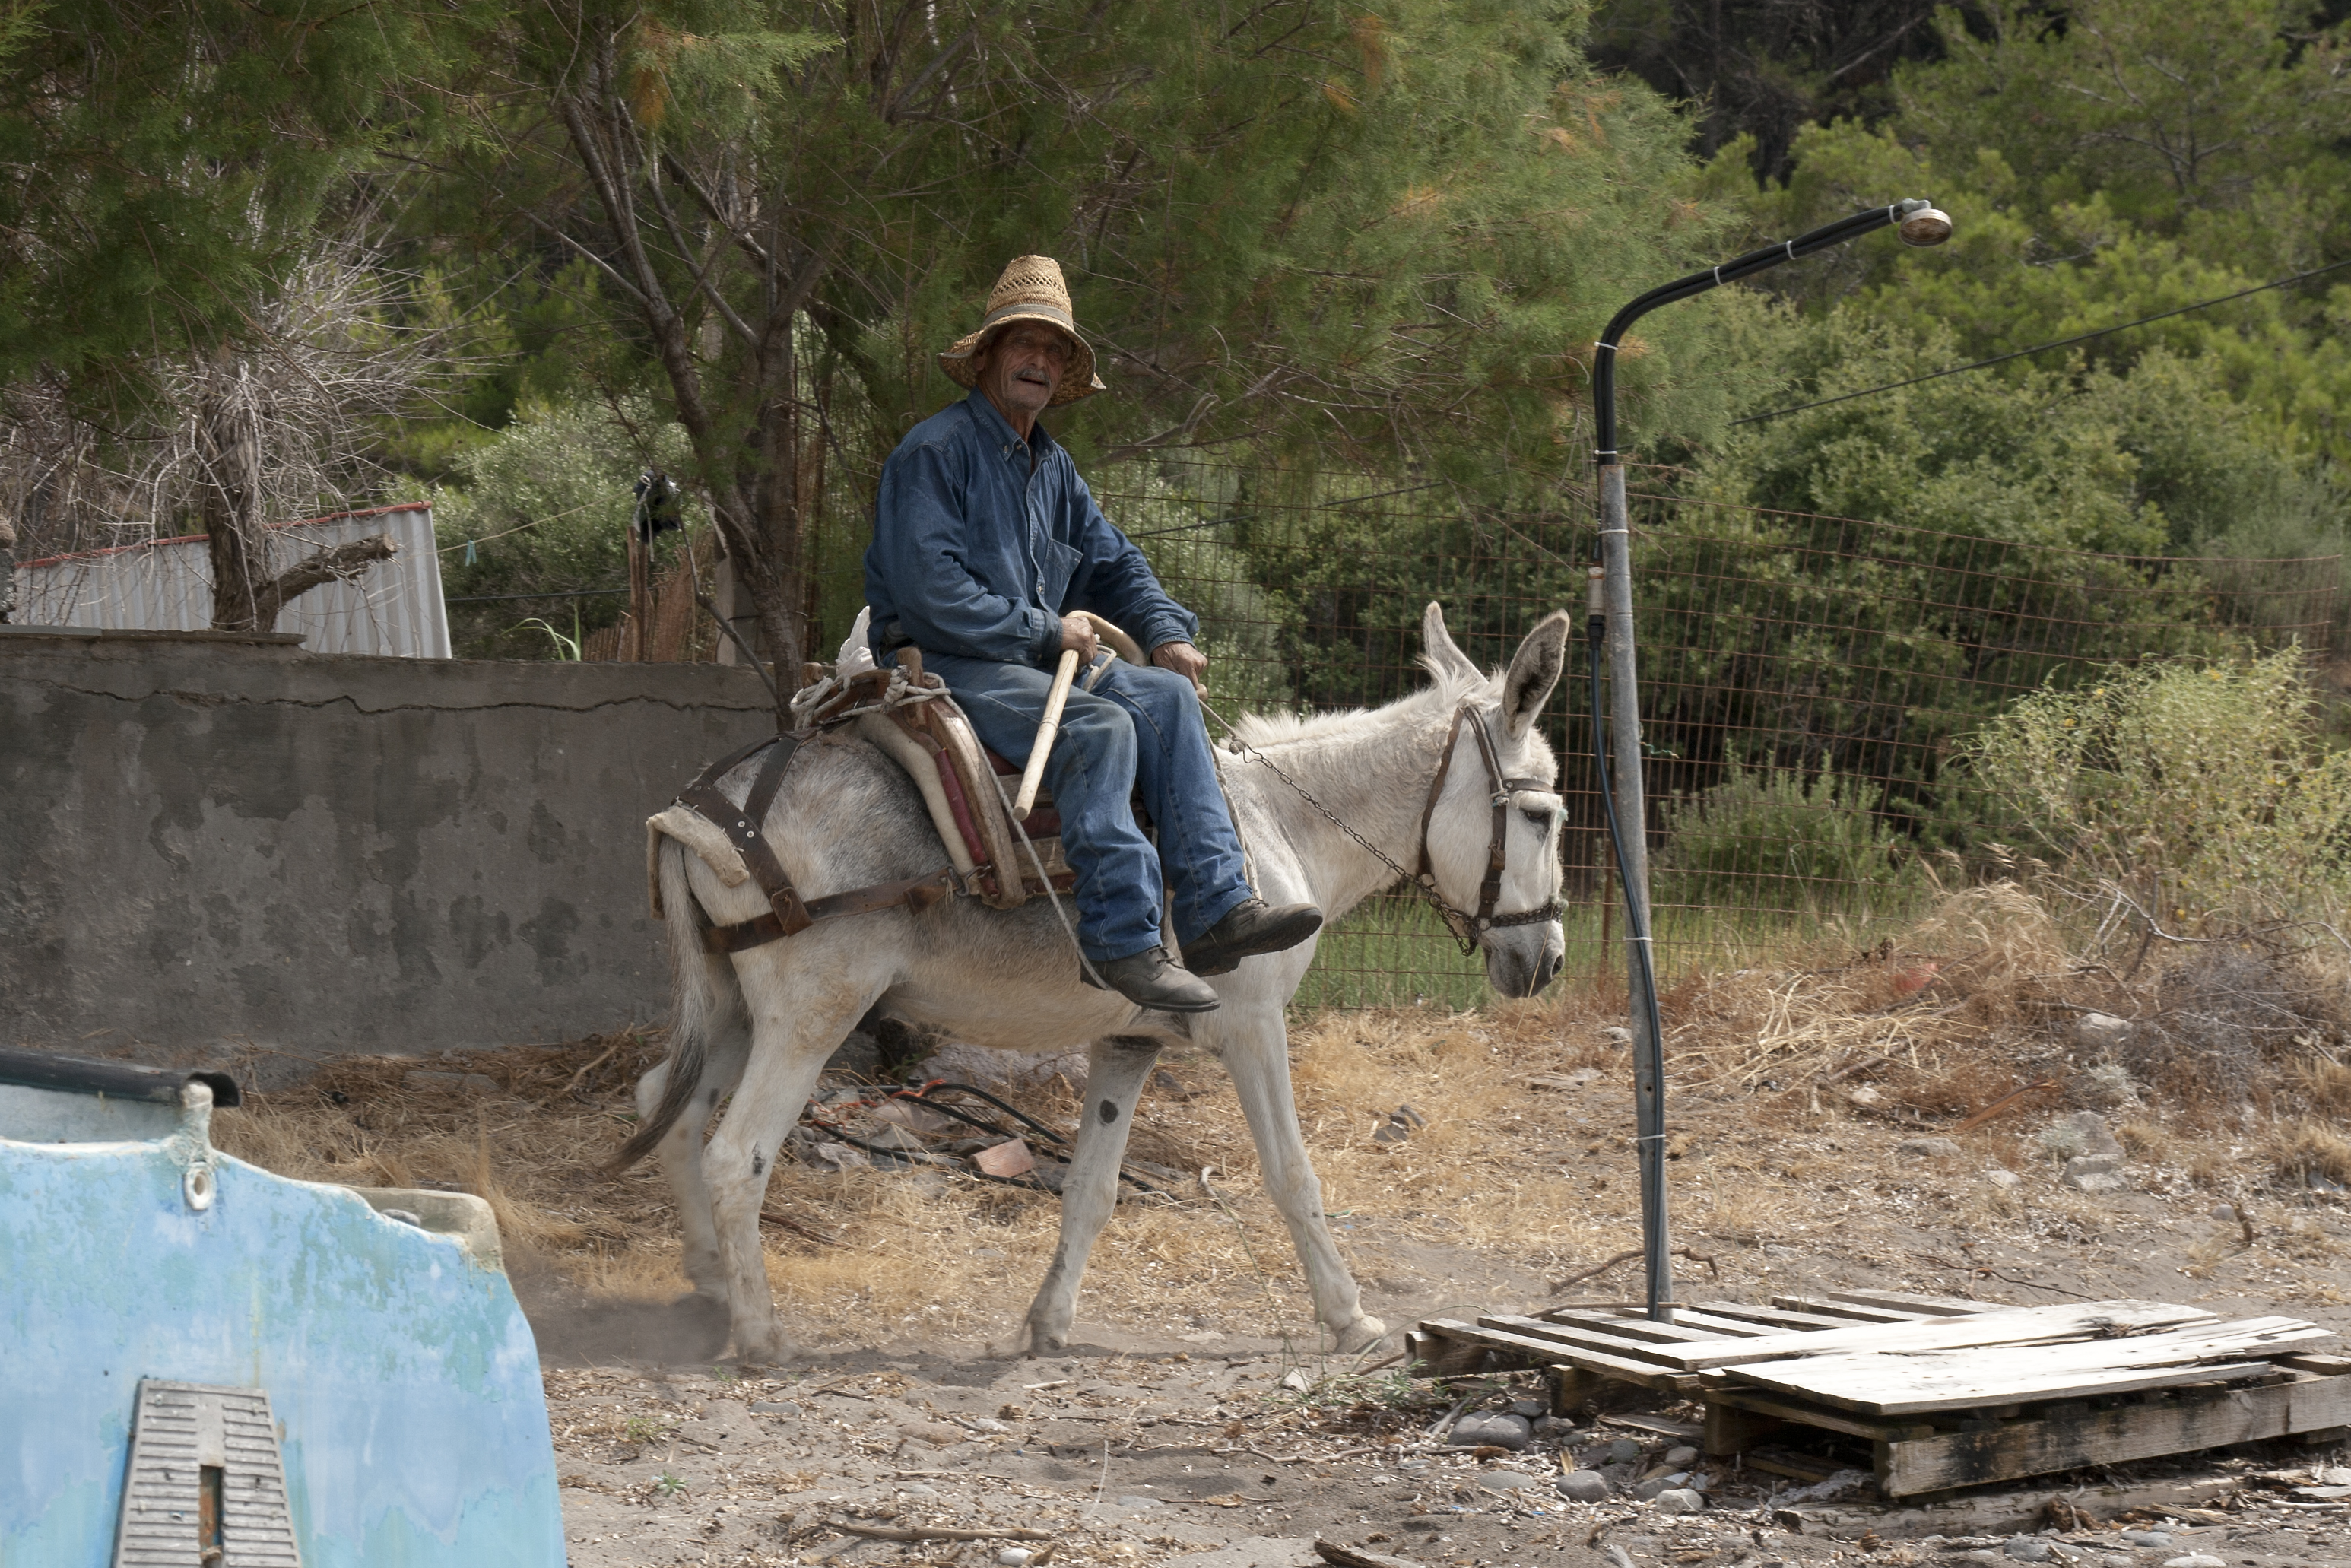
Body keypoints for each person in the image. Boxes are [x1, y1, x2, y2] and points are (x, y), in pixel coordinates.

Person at [864, 256, 1321, 1012]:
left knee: (1169, 701)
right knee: (1101, 726)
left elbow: (1116, 565)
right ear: (988, 356)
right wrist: (1047, 630)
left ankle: (1214, 908)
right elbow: (930, 592)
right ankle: (1118, 940)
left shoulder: (1053, 468)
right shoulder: (933, 452)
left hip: (1032, 660)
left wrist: (1166, 633)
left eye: (1054, 351)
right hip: (951, 659)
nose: (1038, 362)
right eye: (1024, 345)